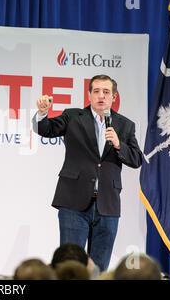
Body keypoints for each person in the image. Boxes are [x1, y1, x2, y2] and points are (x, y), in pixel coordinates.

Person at [33, 74, 143, 271]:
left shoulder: (125, 125)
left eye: (106, 92)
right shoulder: (73, 116)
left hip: (107, 206)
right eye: (96, 91)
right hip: (74, 203)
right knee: (70, 266)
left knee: (99, 268)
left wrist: (119, 145)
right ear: (89, 95)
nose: (101, 96)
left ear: (114, 97)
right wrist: (42, 113)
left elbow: (136, 160)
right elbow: (46, 129)